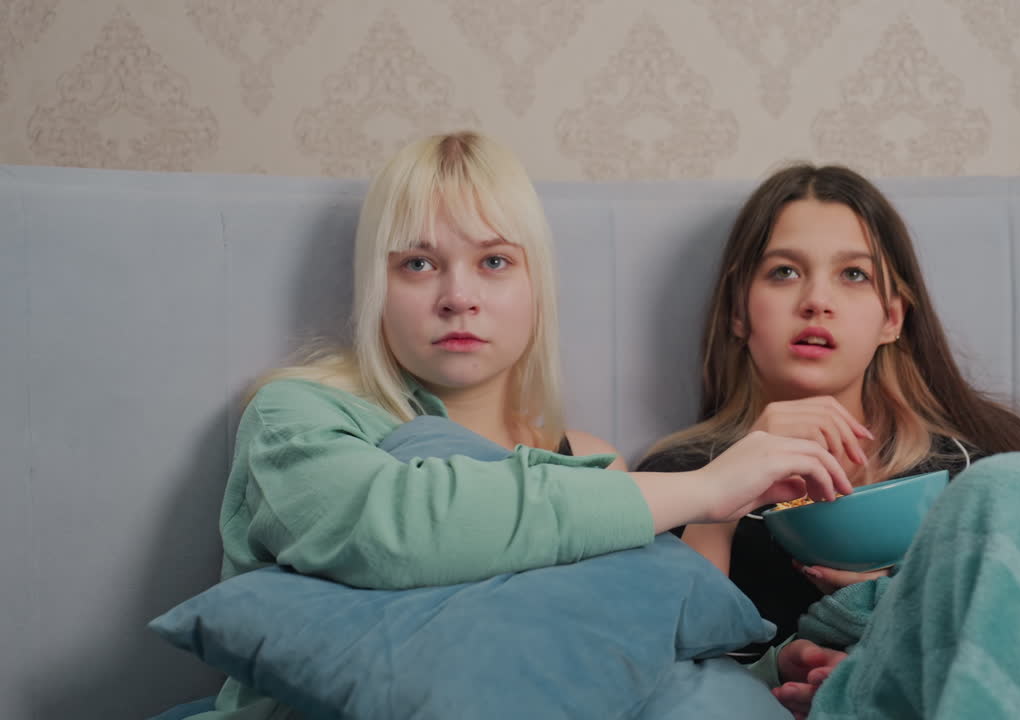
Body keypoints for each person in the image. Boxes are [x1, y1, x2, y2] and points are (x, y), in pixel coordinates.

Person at [195, 133, 851, 719]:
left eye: (494, 261)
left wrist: (773, 676)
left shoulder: (587, 462)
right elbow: (399, 529)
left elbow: (617, 658)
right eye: (418, 263)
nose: (458, 295)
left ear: (537, 288)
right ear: (376, 286)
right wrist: (708, 488)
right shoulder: (297, 416)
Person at [638, 163, 1020, 662]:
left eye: (854, 274)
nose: (816, 301)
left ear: (892, 318)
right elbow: (663, 664)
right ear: (739, 312)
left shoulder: (979, 471)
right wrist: (722, 498)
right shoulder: (675, 479)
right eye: (784, 272)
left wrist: (892, 601)